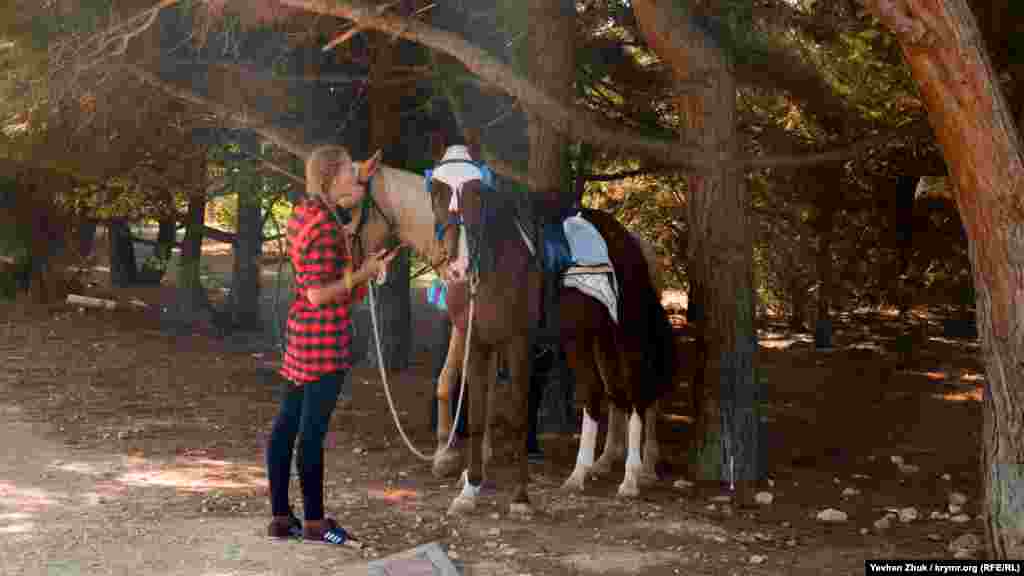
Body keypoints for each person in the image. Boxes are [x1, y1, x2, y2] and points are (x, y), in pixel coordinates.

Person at [266, 145, 396, 545]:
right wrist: (366, 273)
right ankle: (316, 523)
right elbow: (319, 295)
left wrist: (363, 172)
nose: (352, 177)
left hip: (300, 336)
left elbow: (311, 288)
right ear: (329, 179)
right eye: (346, 172)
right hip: (323, 341)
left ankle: (281, 517)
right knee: (310, 435)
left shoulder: (305, 211)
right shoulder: (324, 227)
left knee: (286, 426)